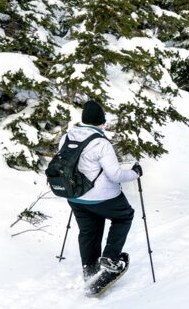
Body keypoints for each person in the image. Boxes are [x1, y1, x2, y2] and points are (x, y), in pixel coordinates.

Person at [62, 100, 141, 283]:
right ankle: (110, 258)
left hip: (75, 196)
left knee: (89, 230)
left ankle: (89, 270)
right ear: (100, 121)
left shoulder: (66, 137)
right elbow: (114, 175)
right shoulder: (101, 143)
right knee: (124, 216)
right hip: (103, 197)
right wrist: (134, 173)